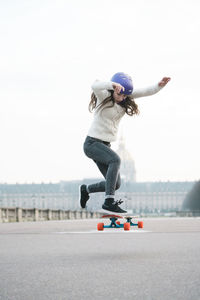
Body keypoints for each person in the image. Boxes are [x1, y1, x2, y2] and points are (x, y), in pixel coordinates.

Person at [79, 72, 171, 213]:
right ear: (114, 90)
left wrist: (159, 86)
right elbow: (95, 85)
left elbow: (146, 91)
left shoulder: (125, 98)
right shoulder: (103, 96)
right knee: (115, 160)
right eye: (120, 95)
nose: (122, 98)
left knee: (115, 184)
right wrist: (112, 85)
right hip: (92, 143)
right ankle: (109, 202)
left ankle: (86, 190)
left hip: (104, 145)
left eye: (124, 96)